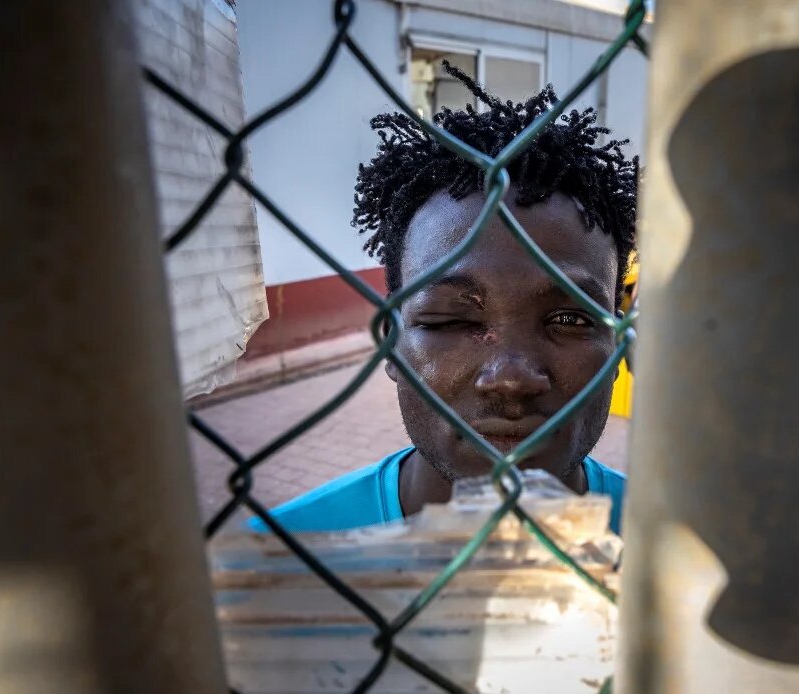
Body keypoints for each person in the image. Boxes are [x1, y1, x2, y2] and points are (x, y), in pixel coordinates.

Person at [261, 64, 639, 535]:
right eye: (450, 320)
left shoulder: (682, 553)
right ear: (391, 342)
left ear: (619, 342)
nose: (512, 379)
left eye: (569, 318)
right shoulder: (283, 552)